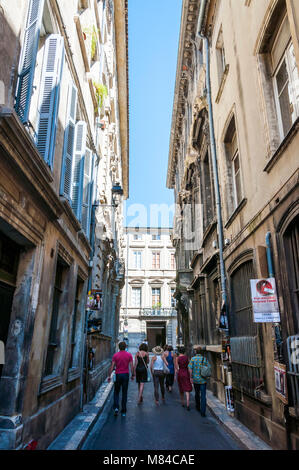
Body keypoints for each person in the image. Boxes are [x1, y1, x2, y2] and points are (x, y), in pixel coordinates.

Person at [108, 341, 134, 417]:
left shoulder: (115, 355)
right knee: (124, 392)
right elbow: (131, 366)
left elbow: (112, 366)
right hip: (126, 375)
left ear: (119, 347)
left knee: (116, 392)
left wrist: (109, 376)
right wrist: (133, 374)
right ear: (125, 347)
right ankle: (123, 411)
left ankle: (116, 407)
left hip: (118, 375)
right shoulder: (129, 355)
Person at [188, 346, 210, 417]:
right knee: (203, 396)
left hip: (196, 380)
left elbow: (190, 369)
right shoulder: (205, 359)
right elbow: (209, 368)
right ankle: (203, 411)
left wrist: (191, 377)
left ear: (196, 352)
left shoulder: (193, 359)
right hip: (203, 380)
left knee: (197, 393)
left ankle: (197, 406)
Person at [175, 346, 192, 410]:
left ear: (179, 351)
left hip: (180, 373)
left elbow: (176, 367)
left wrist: (176, 374)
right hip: (186, 372)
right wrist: (190, 376)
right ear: (184, 351)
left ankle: (182, 402)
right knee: (187, 388)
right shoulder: (187, 358)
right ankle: (188, 403)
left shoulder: (177, 358)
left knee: (181, 388)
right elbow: (189, 366)